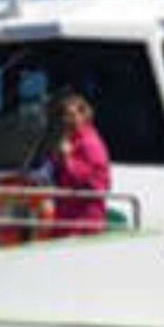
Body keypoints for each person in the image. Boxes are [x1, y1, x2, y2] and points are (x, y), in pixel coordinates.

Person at [45, 94, 112, 236]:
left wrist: (67, 159)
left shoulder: (89, 142)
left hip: (83, 219)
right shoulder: (69, 140)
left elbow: (96, 180)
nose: (69, 120)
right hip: (67, 217)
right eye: (65, 116)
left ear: (84, 115)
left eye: (73, 115)